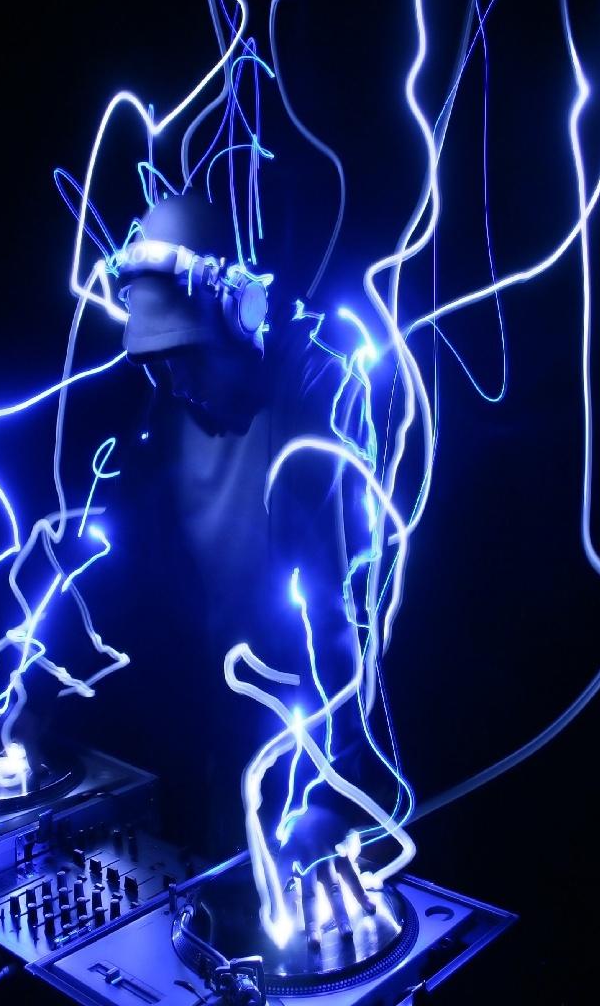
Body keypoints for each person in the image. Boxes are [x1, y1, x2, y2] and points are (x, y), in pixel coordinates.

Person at [107, 190, 394, 944]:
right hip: (225, 767)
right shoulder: (163, 411)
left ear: (242, 314)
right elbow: (105, 557)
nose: (176, 385)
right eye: (159, 364)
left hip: (321, 782)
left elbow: (345, 615)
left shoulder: (320, 393)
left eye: (187, 357)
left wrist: (335, 797)